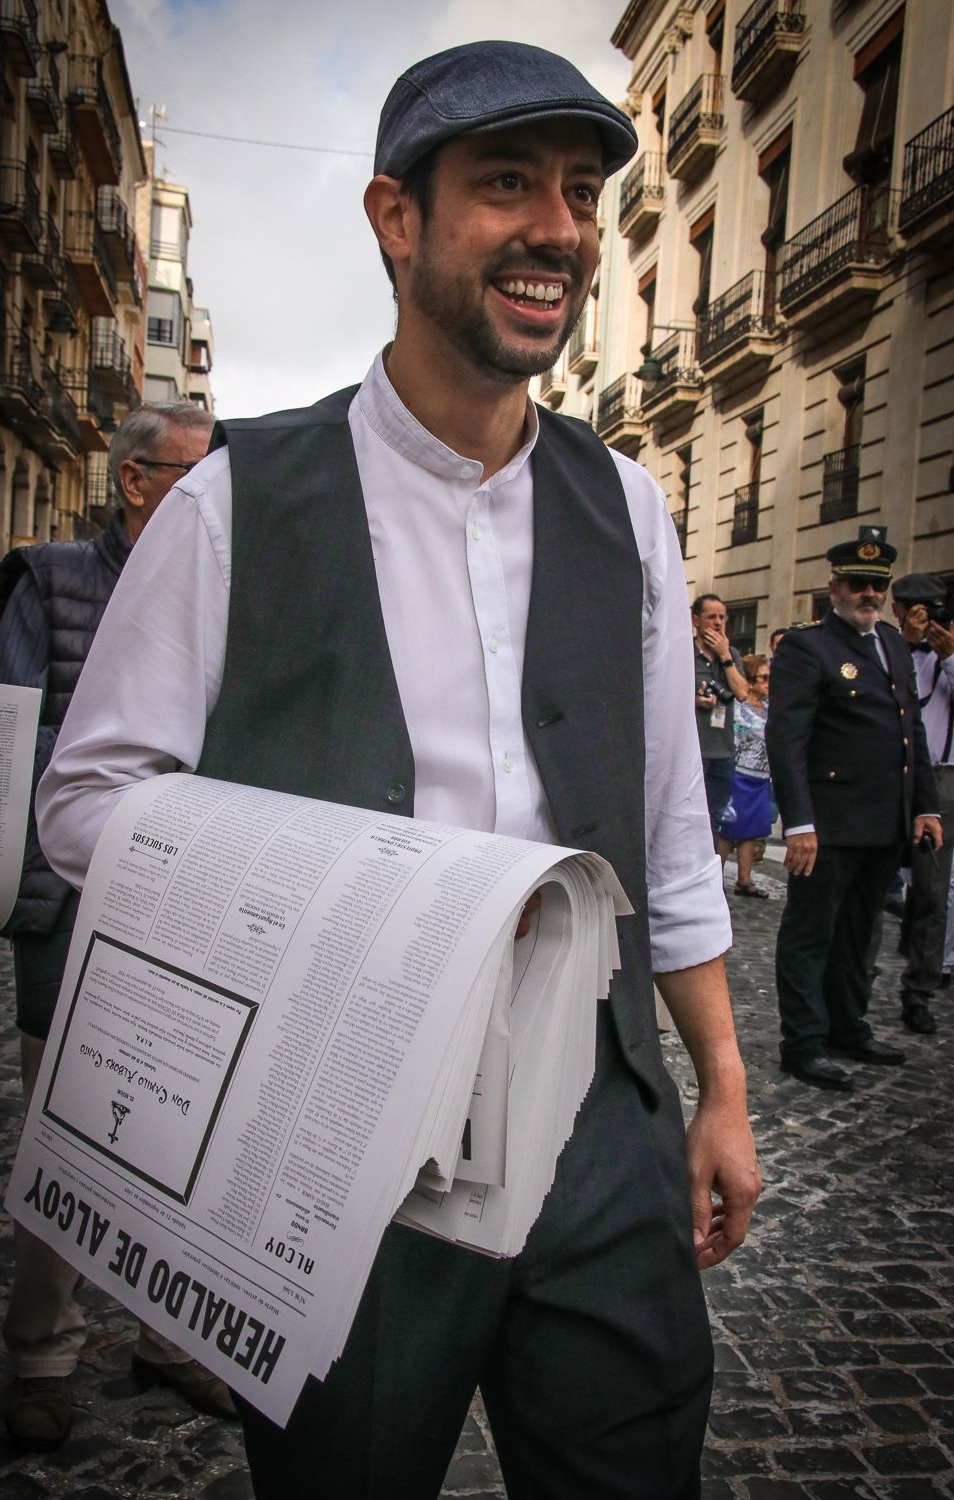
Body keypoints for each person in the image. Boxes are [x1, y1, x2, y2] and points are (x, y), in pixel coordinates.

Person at [37, 42, 760, 1498]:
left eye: (575, 193)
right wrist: (338, 894)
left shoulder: (624, 507)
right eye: (505, 185)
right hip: (337, 1140)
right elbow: (85, 805)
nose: (557, 227)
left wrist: (721, 1083)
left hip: (602, 1118)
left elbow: (671, 828)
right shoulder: (237, 501)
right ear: (395, 218)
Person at [0, 404, 232, 1448]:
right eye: (194, 470)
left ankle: (167, 1336)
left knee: (181, 1127)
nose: (219, 492)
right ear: (136, 481)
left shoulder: (231, 580)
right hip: (67, 903)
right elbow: (3, 741)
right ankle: (42, 1352)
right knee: (67, 1127)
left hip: (191, 911)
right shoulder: (51, 579)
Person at [767, 536, 941, 1091]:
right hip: (830, 823)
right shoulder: (807, 648)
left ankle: (848, 1026)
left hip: (883, 822)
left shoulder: (891, 643)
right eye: (856, 584)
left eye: (877, 585)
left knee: (860, 934)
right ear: (833, 587)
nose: (868, 593)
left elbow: (911, 733)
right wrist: (799, 822)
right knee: (811, 934)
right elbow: (787, 738)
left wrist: (926, 808)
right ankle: (804, 1042)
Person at [891, 572, 954, 1034]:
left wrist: (948, 657)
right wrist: (909, 646)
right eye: (916, 610)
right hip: (910, 779)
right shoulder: (892, 652)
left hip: (946, 777)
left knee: (935, 893)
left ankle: (924, 981)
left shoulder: (948, 656)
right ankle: (906, 987)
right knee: (910, 890)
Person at [692, 594, 749, 845]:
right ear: (696, 620)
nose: (718, 623)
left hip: (722, 752)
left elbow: (742, 692)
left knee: (714, 818)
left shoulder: (731, 654)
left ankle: (711, 879)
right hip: (694, 751)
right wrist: (694, 701)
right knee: (688, 819)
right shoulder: (685, 651)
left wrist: (724, 656)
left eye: (722, 617)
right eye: (711, 617)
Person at [718, 655, 772, 898]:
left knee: (751, 829)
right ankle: (714, 878)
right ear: (749, 681)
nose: (768, 682)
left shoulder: (769, 708)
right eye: (764, 678)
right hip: (740, 775)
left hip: (761, 777)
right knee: (729, 829)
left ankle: (744, 879)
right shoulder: (741, 708)